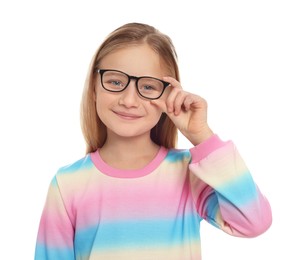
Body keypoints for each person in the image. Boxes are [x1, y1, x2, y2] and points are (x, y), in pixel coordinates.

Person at [34, 22, 272, 260]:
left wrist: (201, 136)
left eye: (148, 87)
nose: (129, 100)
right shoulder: (67, 184)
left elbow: (253, 222)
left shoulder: (190, 173)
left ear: (169, 95)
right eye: (115, 82)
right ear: (94, 87)